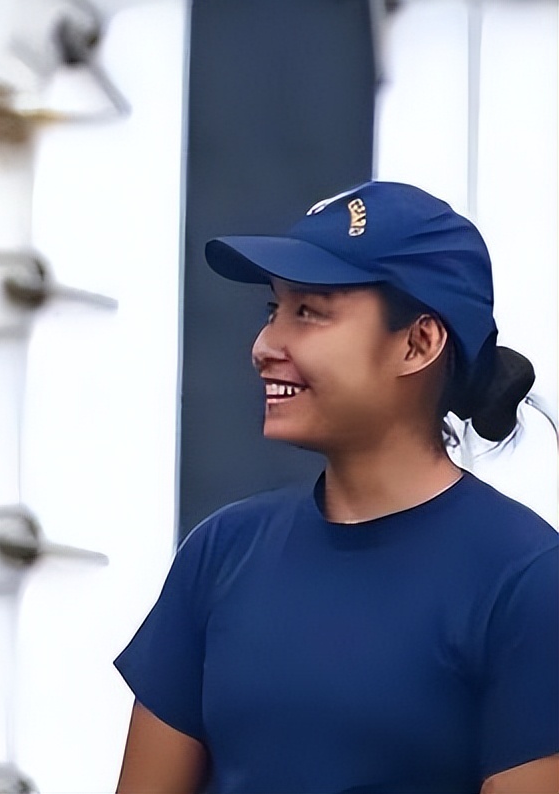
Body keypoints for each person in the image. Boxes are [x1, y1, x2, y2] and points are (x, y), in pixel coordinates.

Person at [113, 181, 558, 793]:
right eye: (273, 310)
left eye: (309, 312)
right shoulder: (221, 552)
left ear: (418, 343)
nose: (264, 346)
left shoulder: (526, 580)